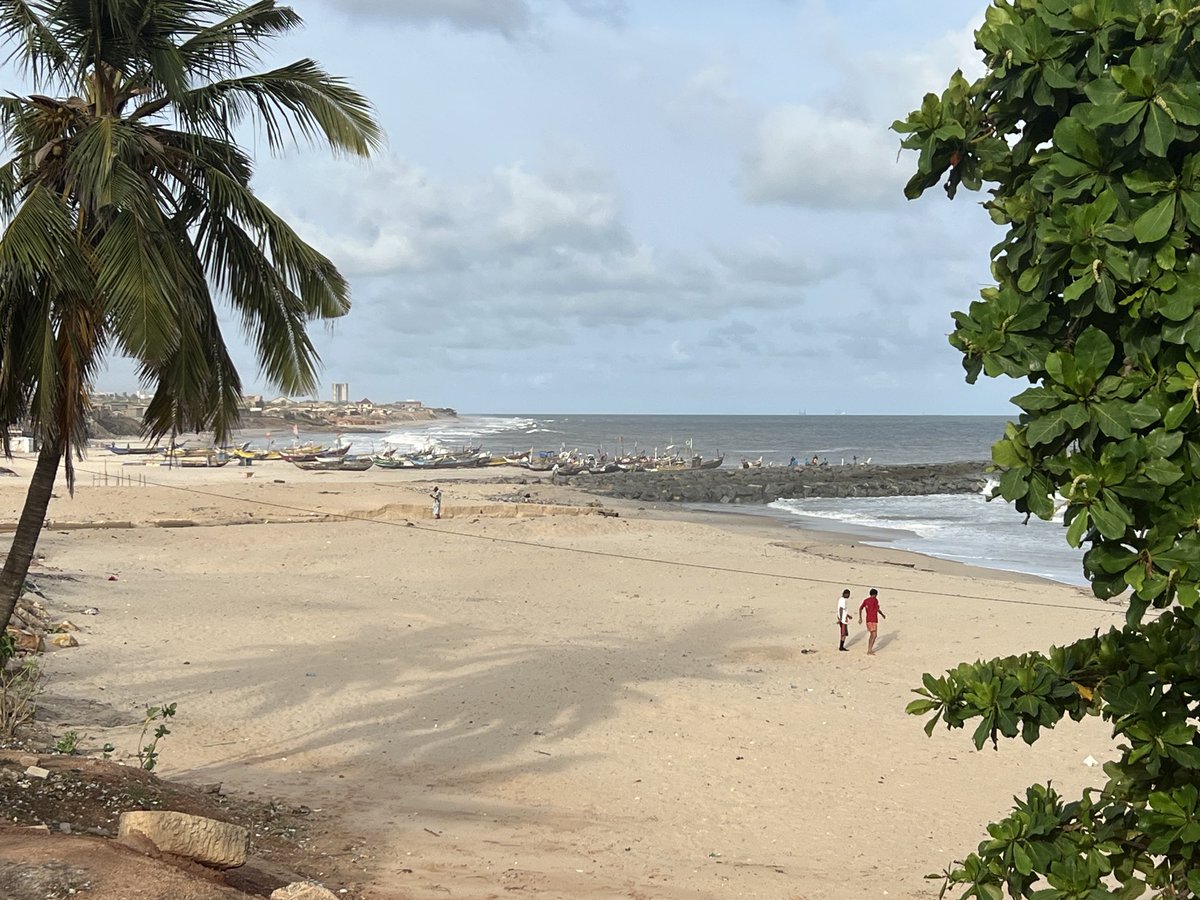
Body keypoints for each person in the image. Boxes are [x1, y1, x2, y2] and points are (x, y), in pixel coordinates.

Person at [858, 588, 886, 655]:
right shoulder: (875, 600)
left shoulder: (866, 600)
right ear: (876, 594)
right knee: (874, 635)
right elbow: (877, 609)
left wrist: (860, 618)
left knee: (872, 634)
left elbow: (860, 608)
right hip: (873, 619)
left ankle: (869, 649)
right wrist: (882, 614)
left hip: (868, 619)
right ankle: (869, 650)